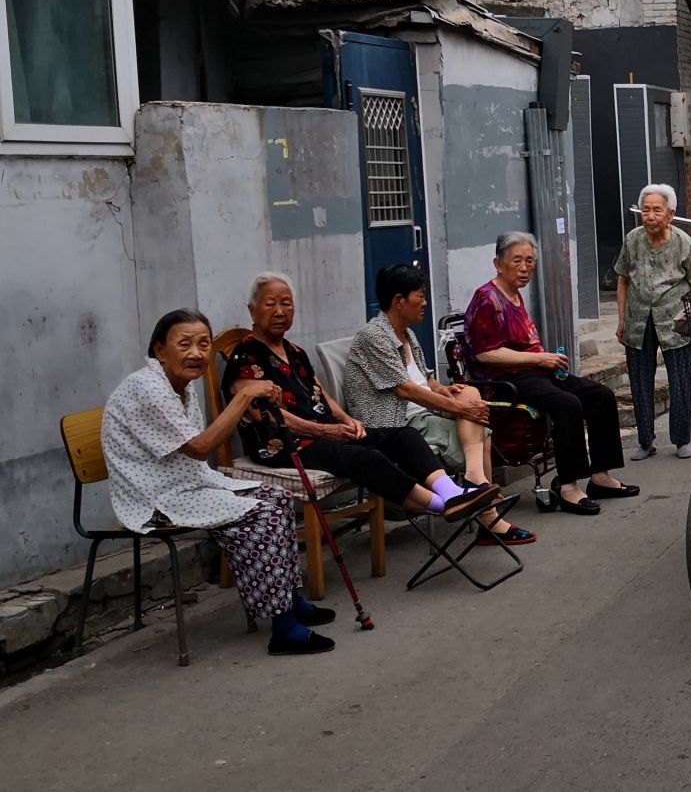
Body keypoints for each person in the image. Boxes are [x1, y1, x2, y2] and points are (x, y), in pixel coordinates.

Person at [101, 309, 334, 656]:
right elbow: (199, 448)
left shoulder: (180, 385)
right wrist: (242, 396)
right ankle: (283, 628)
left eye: (203, 344)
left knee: (279, 497)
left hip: (190, 484)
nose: (196, 353)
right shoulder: (149, 388)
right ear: (160, 350)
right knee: (262, 517)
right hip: (155, 498)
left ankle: (289, 599)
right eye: (184, 344)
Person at [221, 272, 501, 527]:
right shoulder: (245, 355)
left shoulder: (294, 351)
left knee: (404, 437)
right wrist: (324, 430)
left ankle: (453, 493)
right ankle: (442, 506)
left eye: (287, 303)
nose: (280, 311)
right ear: (252, 310)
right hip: (286, 443)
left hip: (327, 434)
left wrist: (346, 419)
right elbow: (264, 415)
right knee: (367, 458)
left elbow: (321, 393)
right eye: (271, 304)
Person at [340, 265, 536, 547]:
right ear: (399, 301)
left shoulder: (406, 334)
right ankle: (488, 514)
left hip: (420, 411)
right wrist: (457, 409)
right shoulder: (374, 337)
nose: (425, 303)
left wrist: (446, 390)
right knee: (480, 427)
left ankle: (474, 482)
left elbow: (424, 380)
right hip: (394, 422)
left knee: (469, 393)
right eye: (420, 296)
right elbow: (405, 390)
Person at [464, 233, 637, 516]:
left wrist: (546, 361)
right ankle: (568, 485)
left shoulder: (514, 294)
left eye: (529, 261)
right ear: (498, 263)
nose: (524, 267)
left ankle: (600, 476)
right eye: (516, 261)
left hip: (535, 372)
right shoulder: (487, 298)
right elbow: (486, 354)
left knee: (600, 395)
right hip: (506, 381)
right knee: (568, 405)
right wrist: (540, 358)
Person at [615, 184, 691, 460]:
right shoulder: (632, 240)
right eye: (646, 210)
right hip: (638, 319)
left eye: (657, 210)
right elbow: (623, 279)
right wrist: (621, 319)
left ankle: (682, 439)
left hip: (675, 321)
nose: (650, 215)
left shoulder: (683, 242)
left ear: (671, 214)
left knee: (680, 380)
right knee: (639, 381)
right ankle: (646, 441)